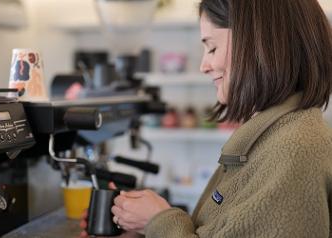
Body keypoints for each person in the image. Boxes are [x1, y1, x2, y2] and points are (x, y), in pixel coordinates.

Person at [80, 0, 332, 237]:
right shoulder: (274, 137)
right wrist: (148, 230)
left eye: (212, 47)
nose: (204, 65)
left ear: (258, 44)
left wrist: (159, 220)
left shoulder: (293, 150)